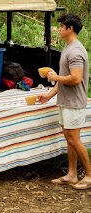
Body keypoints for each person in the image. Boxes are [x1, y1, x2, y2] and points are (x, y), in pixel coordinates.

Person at [38, 14, 90, 190]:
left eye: (61, 26)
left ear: (70, 29)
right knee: (69, 139)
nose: (59, 29)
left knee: (74, 140)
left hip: (74, 102)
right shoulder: (68, 48)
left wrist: (54, 76)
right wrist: (49, 95)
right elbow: (63, 80)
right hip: (66, 101)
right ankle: (72, 174)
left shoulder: (75, 51)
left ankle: (89, 176)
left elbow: (75, 79)